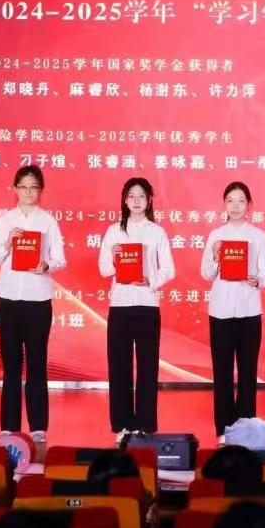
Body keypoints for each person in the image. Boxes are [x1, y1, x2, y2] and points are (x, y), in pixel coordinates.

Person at [0, 165, 66, 445]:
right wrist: (8, 244)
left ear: (40, 190)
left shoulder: (48, 221)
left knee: (37, 363)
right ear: (15, 189)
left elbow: (60, 258)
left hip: (38, 300)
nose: (28, 192)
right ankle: (9, 425)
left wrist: (46, 265)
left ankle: (38, 426)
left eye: (33, 187)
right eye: (23, 187)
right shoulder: (5, 221)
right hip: (8, 299)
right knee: (10, 365)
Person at [99, 178, 175, 444]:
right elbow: (104, 269)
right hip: (120, 305)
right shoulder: (114, 231)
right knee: (119, 367)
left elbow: (169, 269)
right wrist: (114, 255)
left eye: (141, 196)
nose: (136, 201)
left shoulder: (157, 232)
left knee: (147, 367)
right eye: (131, 196)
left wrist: (150, 281)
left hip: (147, 305)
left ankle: (145, 424)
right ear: (124, 200)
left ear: (149, 199)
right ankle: (122, 424)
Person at [200, 182, 265, 445]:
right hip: (220, 311)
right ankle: (223, 428)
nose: (235, 206)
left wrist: (258, 280)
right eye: (230, 200)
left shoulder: (258, 236)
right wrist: (215, 257)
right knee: (221, 373)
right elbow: (206, 273)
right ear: (224, 204)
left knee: (247, 372)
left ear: (249, 205)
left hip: (249, 310)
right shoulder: (216, 235)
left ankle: (245, 428)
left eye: (241, 200)